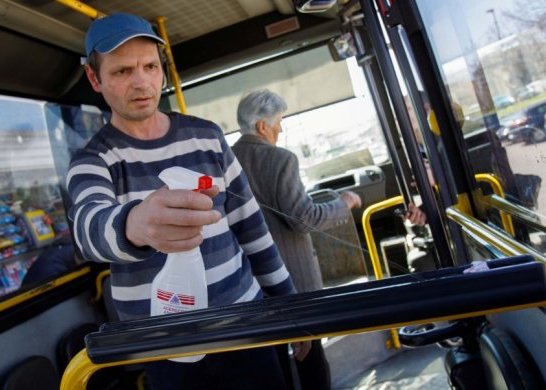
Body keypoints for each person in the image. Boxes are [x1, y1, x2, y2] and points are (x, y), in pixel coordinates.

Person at [67, 13, 309, 389]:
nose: (141, 81)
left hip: (244, 324)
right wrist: (136, 224)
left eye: (150, 66)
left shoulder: (208, 137)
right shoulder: (93, 160)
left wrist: (289, 305)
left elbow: (251, 228)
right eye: (122, 71)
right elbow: (88, 227)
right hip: (165, 345)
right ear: (95, 79)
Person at [232, 89, 362, 390]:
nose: (281, 128)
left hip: (247, 281)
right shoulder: (281, 159)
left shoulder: (226, 160)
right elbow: (303, 219)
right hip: (292, 280)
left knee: (271, 362)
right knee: (311, 358)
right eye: (279, 121)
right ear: (262, 126)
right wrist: (343, 204)